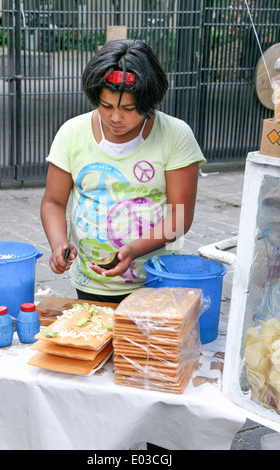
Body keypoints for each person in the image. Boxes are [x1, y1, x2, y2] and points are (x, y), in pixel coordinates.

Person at [41, 39, 206, 304]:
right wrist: (58, 243)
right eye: (106, 106)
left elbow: (180, 218)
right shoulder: (71, 133)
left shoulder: (175, 135)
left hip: (155, 280)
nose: (115, 118)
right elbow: (53, 201)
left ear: (149, 101)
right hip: (91, 280)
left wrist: (133, 250)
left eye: (128, 108)